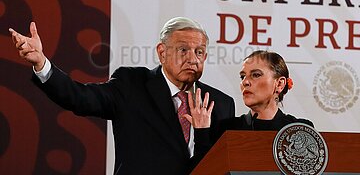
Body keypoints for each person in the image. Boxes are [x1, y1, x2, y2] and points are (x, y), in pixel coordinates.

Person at [9, 17, 235, 175]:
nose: (193, 59)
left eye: (199, 52)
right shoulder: (132, 85)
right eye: (183, 50)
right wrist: (41, 63)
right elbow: (79, 97)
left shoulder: (221, 104)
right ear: (162, 52)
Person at [186, 50, 314, 160]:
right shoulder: (225, 129)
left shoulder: (299, 129)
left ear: (279, 84)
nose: (245, 82)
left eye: (256, 75)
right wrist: (201, 133)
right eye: (242, 77)